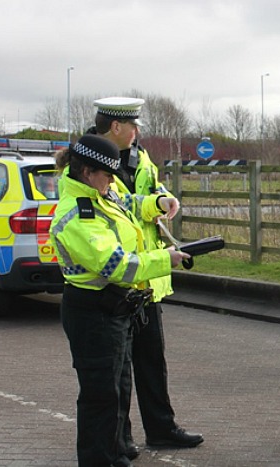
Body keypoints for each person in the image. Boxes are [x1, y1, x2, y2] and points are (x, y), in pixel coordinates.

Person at [50, 135, 189, 467]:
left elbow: (129, 204)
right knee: (101, 393)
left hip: (114, 309)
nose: (113, 182)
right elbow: (117, 266)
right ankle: (100, 459)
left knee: (118, 385)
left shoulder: (100, 194)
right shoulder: (77, 215)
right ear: (87, 172)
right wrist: (163, 258)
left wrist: (157, 203)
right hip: (93, 309)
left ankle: (116, 450)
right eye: (108, 175)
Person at [88, 97, 204, 456]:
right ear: (116, 128)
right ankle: (120, 440)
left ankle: (161, 429)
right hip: (117, 280)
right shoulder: (88, 162)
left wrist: (167, 199)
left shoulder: (140, 156)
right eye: (133, 126)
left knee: (152, 359)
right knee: (117, 371)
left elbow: (152, 189)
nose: (138, 132)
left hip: (147, 279)